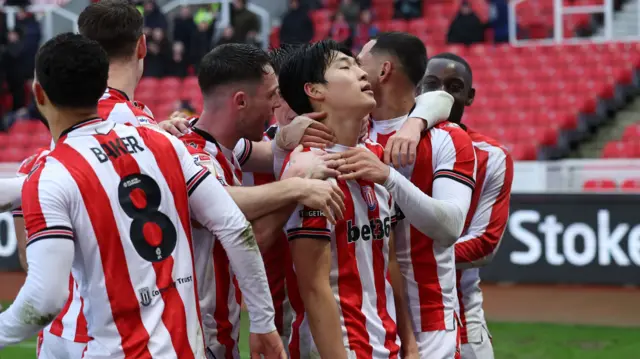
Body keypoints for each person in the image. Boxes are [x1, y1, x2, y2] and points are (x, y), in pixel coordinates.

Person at [0, 32, 284, 358]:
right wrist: (263, 322)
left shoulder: (50, 176)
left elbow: (45, 300)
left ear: (39, 93)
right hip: (180, 348)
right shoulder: (164, 144)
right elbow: (236, 227)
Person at [177, 43, 345, 359]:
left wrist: (288, 139)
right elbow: (215, 201)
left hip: (217, 333)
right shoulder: (192, 155)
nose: (275, 106)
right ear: (241, 101)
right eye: (271, 96)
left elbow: (273, 151)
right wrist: (296, 186)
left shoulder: (228, 149)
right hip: (198, 338)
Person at [339, 32, 477, 358]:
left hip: (431, 319)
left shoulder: (446, 138)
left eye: (360, 63)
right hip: (367, 322)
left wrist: (388, 177)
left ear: (384, 71)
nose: (355, 71)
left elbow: (449, 227)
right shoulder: (352, 132)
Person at [278, 40, 415, 359]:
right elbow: (313, 287)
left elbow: (390, 262)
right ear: (314, 90)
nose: (361, 72)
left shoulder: (377, 158)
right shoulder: (309, 166)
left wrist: (410, 345)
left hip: (388, 346)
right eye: (345, 66)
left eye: (358, 64)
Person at [420, 52, 514, 359]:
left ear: (469, 96)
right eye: (432, 84)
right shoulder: (389, 144)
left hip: (460, 312)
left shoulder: (492, 156)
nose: (442, 95)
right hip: (390, 310)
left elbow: (485, 244)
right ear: (418, 89)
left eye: (454, 86)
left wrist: (410, 255)